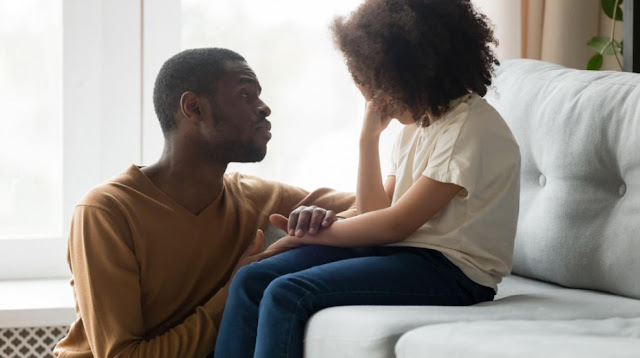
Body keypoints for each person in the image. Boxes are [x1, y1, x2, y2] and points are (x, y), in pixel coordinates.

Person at [213, 0, 521, 357]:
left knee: (288, 293)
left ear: (413, 73)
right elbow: (376, 210)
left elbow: (394, 225)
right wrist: (368, 138)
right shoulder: (420, 126)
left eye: (378, 88)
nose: (374, 101)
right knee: (251, 281)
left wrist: (317, 235)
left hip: (453, 271)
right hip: (403, 254)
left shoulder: (469, 128)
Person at [53, 48, 355, 358]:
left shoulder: (259, 197)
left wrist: (322, 218)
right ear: (194, 108)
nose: (264, 108)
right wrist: (236, 290)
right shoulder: (107, 212)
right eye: (245, 94)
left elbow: (378, 206)